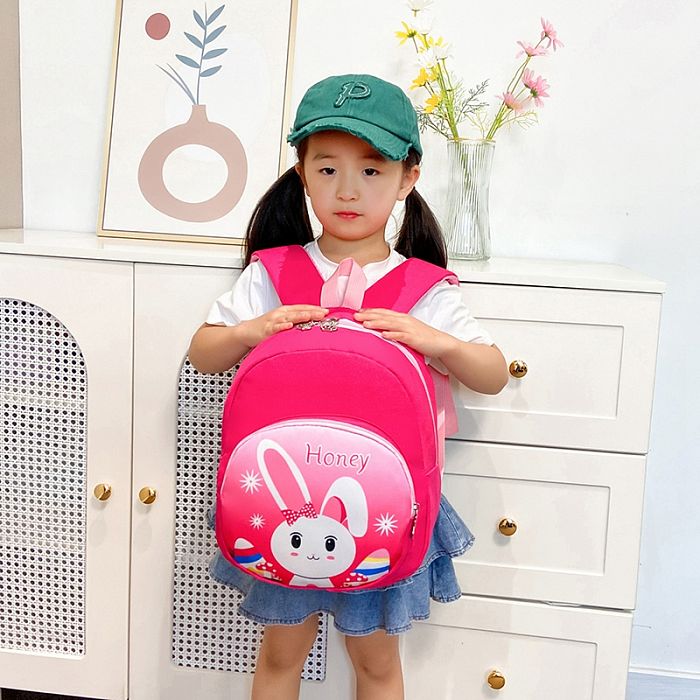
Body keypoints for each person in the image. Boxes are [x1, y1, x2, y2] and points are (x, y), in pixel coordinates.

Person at [188, 73, 509, 700]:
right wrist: (253, 329)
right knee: (281, 655)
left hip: (385, 504)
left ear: (408, 178)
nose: (348, 189)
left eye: (371, 170)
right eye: (328, 169)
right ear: (302, 174)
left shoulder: (423, 288)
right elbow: (203, 353)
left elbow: (492, 373)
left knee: (378, 663)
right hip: (281, 505)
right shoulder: (273, 273)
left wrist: (434, 340)